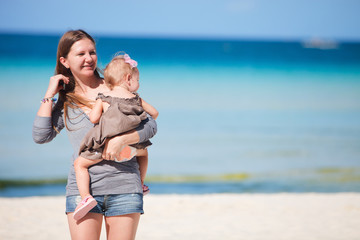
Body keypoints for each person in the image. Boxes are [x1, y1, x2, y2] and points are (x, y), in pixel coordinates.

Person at [32, 29, 157, 240]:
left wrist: (122, 140)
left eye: (92, 52)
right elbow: (41, 135)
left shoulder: (116, 86)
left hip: (125, 185)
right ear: (65, 61)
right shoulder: (66, 101)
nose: (89, 59)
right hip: (82, 193)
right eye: (81, 54)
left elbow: (150, 125)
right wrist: (49, 94)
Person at [73, 52, 159, 221]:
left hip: (103, 149)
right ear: (128, 78)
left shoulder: (104, 98)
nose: (138, 84)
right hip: (132, 148)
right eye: (137, 80)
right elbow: (154, 114)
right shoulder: (137, 99)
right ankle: (141, 183)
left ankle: (85, 197)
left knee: (80, 164)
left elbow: (94, 118)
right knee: (144, 154)